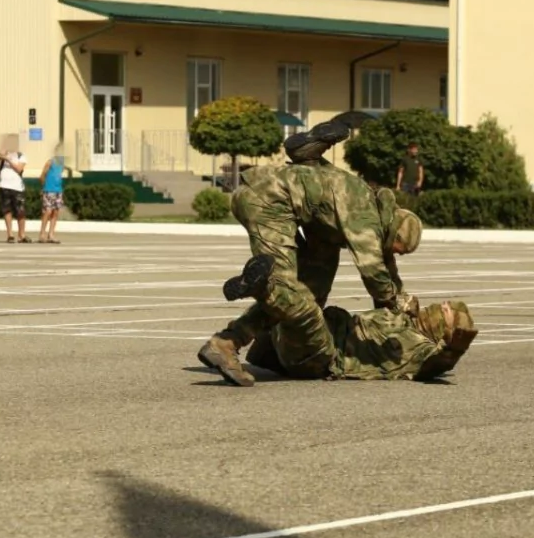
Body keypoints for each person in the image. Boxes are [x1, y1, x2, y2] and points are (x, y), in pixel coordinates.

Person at [197, 147, 421, 387]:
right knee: (283, 289)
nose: (395, 254)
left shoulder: (371, 207)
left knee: (311, 290)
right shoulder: (366, 218)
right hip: (268, 202)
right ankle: (227, 342)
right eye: (398, 249)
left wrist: (396, 306)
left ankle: (268, 346)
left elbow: (386, 270)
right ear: (393, 231)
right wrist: (397, 301)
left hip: (278, 201)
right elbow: (372, 271)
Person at [230, 297, 478, 384]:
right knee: (299, 292)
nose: (439, 305)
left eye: (445, 310)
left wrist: (455, 349)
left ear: (446, 330)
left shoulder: (420, 351)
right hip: (323, 336)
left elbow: (438, 364)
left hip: (321, 356)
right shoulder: (406, 320)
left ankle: (265, 288)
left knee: (298, 306)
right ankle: (267, 295)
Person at [0, 135, 29, 243]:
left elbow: (19, 169)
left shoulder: (21, 156)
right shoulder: (5, 153)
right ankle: (10, 234)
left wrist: (9, 160)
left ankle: (21, 235)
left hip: (17, 187)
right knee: (7, 210)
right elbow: (0, 155)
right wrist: (6, 153)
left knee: (21, 211)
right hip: (4, 185)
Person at [38, 146, 66, 244]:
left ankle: (51, 234)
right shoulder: (50, 162)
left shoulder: (62, 163)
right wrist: (43, 188)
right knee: (47, 212)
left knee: (55, 212)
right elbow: (42, 176)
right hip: (48, 190)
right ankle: (42, 234)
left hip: (58, 191)